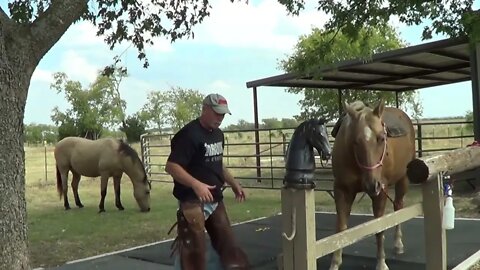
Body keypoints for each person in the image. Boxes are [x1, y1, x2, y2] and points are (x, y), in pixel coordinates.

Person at [165, 93, 250, 270]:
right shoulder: (188, 135)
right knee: (194, 254)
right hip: (192, 201)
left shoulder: (218, 134)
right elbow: (172, 166)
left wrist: (234, 184)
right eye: (217, 113)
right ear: (205, 109)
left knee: (229, 246)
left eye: (223, 114)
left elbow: (217, 163)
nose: (220, 118)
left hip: (215, 199)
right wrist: (196, 184)